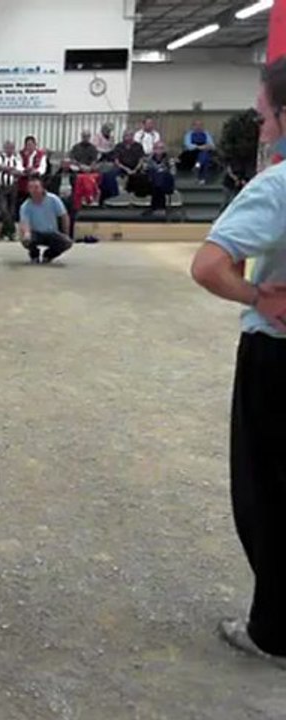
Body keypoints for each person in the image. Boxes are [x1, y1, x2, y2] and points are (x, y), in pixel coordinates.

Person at [190, 56, 286, 668]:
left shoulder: (277, 186)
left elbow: (208, 266)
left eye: (263, 115)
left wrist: (257, 294)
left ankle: (275, 631)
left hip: (277, 357)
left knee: (268, 493)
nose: (261, 127)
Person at [18, 177, 73, 265]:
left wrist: (65, 233)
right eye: (31, 188)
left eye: (36, 187)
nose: (34, 190)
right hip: (35, 233)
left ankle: (48, 255)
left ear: (42, 188)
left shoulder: (54, 199)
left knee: (67, 243)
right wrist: (26, 234)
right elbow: (25, 223)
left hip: (51, 233)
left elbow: (64, 216)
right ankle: (34, 254)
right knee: (26, 239)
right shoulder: (25, 206)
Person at [0, 140, 23, 242]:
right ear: (4, 148)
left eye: (12, 147)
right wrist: (11, 169)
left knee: (12, 211)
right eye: (8, 147)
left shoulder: (17, 158)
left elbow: (19, 171)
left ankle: (5, 234)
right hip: (1, 187)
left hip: (13, 187)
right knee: (4, 210)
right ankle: (13, 231)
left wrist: (9, 169)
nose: (10, 149)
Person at [181, 120, 216, 185]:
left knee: (205, 155)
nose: (198, 127)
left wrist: (208, 146)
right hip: (192, 153)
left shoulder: (206, 134)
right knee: (204, 156)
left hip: (204, 152)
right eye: (196, 125)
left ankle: (197, 167)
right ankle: (202, 178)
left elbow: (212, 145)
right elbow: (188, 145)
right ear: (193, 126)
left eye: (200, 125)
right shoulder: (189, 134)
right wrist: (198, 147)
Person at [145, 141, 175, 215]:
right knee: (155, 178)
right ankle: (160, 208)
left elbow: (173, 171)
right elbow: (145, 170)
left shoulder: (169, 159)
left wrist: (162, 172)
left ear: (164, 150)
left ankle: (156, 207)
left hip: (166, 183)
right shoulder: (149, 159)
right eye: (157, 148)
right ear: (154, 150)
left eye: (161, 148)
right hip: (151, 182)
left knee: (161, 178)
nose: (159, 150)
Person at [17, 135, 47, 202]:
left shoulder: (41, 154)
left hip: (36, 181)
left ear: (35, 144)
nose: (29, 147)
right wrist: (25, 170)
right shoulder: (21, 154)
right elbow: (18, 166)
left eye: (31, 144)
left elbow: (43, 168)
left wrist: (35, 171)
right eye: (28, 145)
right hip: (24, 182)